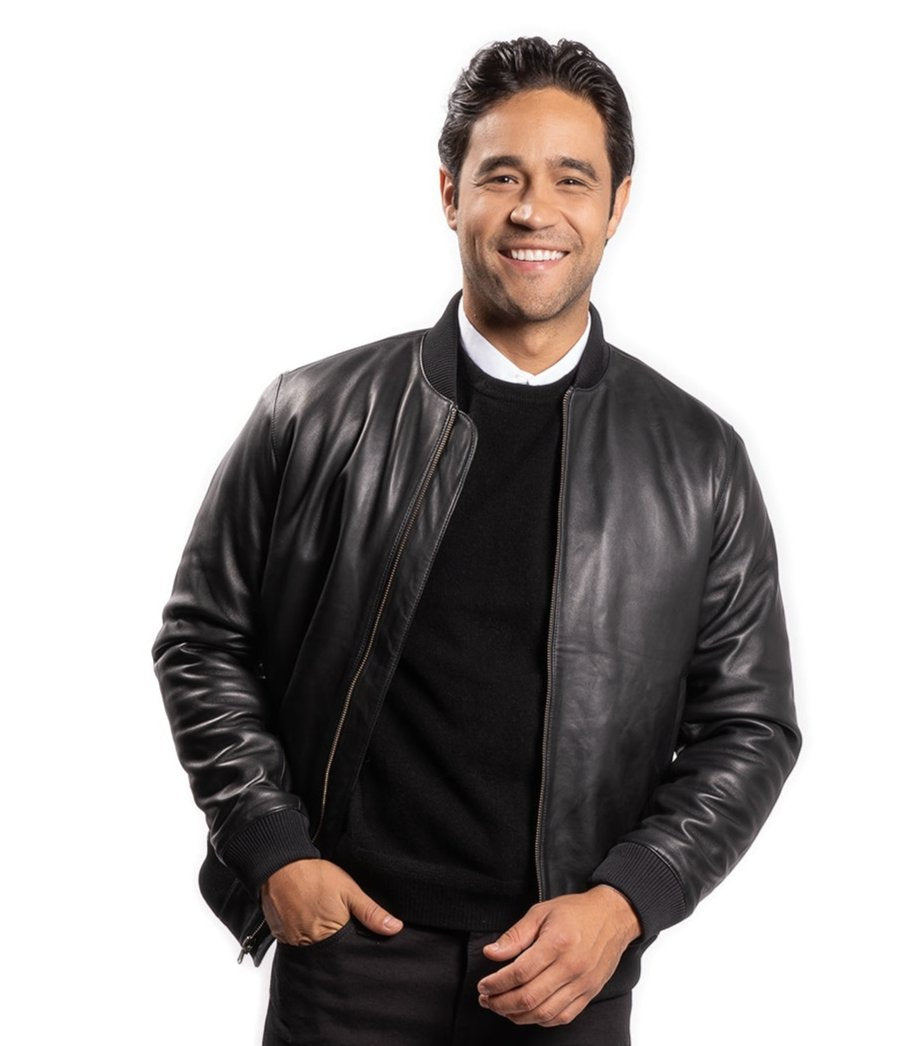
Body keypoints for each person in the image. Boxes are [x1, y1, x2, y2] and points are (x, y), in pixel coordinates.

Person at [153, 35, 802, 1045]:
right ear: (450, 194)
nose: (534, 211)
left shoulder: (698, 458)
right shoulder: (310, 415)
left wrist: (626, 900)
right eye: (501, 176)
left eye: (571, 180)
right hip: (347, 959)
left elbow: (748, 725)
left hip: (565, 970)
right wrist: (270, 844)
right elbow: (204, 638)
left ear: (617, 205)